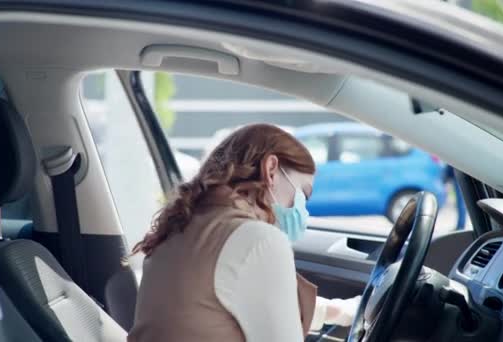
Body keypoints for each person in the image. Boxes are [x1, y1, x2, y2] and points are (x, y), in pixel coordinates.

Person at [128, 124, 361, 342]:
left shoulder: (181, 227)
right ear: (271, 170)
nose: (303, 210)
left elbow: (228, 303)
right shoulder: (256, 238)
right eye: (304, 194)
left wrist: (341, 312)